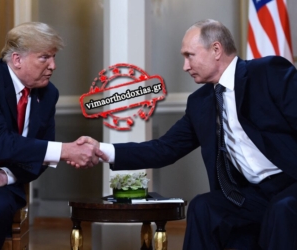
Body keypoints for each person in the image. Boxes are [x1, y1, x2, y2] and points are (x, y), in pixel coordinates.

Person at [73, 19, 297, 249]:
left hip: (291, 183)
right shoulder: (200, 103)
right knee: (203, 207)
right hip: (253, 194)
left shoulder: (267, 73)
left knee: (282, 209)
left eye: (190, 55)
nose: (185, 66)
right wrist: (103, 150)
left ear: (216, 50)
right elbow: (164, 149)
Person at [0, 22, 106, 250]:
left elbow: (41, 149)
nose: (53, 66)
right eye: (44, 58)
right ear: (17, 59)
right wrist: (66, 150)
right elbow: (0, 142)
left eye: (54, 57)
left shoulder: (48, 93)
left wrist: (6, 175)